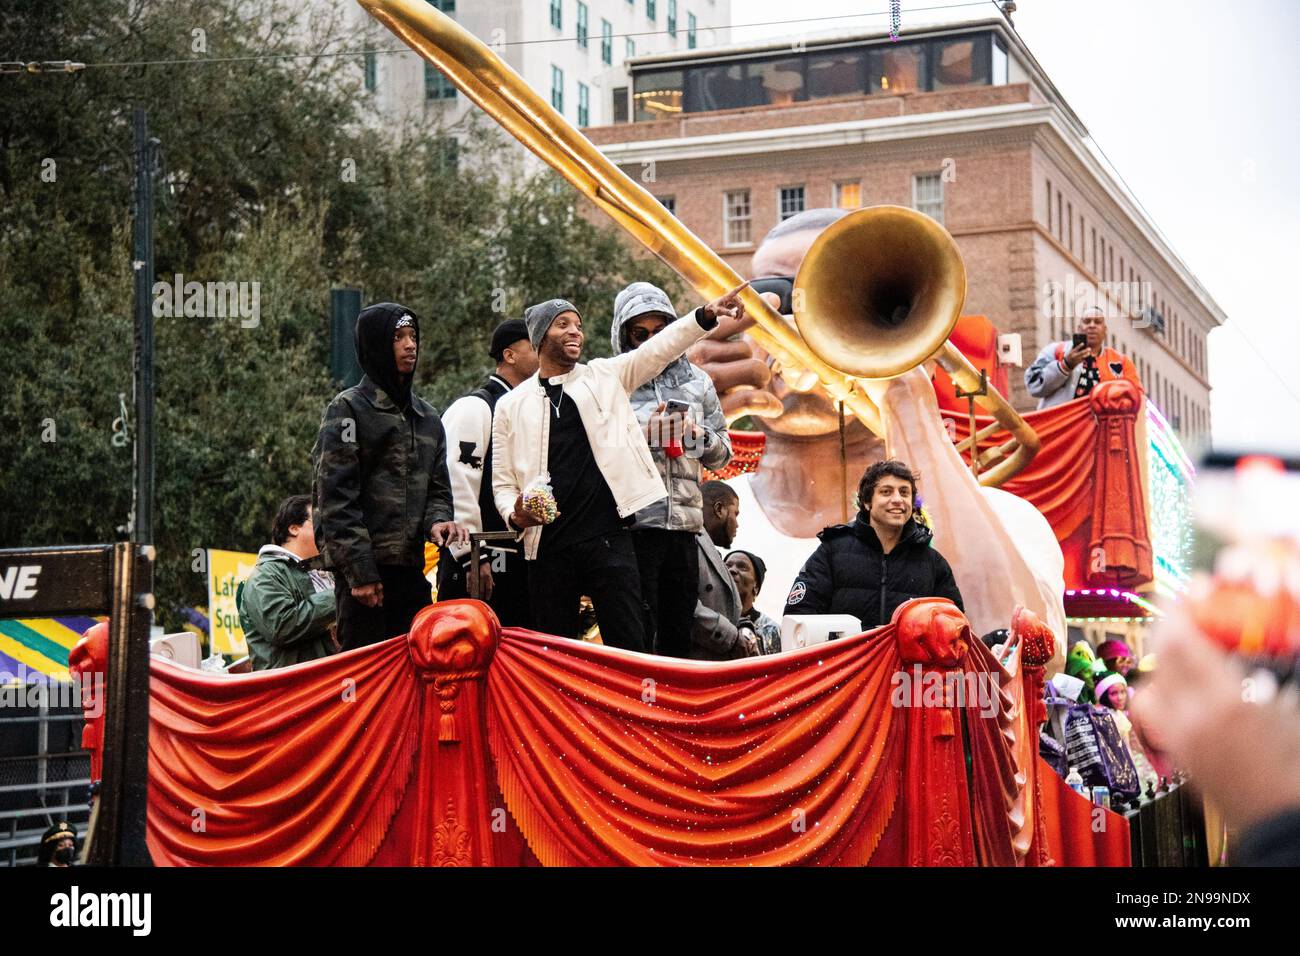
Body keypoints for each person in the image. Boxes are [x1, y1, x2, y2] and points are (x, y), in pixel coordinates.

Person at [687, 209, 1065, 660]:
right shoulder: (701, 511)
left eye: (841, 300)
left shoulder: (1008, 519)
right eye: (772, 298)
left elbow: (1013, 654)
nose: (797, 328)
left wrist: (908, 408)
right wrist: (670, 421)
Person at [492, 286, 749, 652]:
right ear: (538, 337)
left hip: (614, 537)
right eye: (562, 324)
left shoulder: (605, 377)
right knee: (558, 653)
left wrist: (707, 314)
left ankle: (640, 708)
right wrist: (516, 514)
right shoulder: (510, 405)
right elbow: (502, 483)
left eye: (578, 325)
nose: (574, 331)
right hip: (551, 544)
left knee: (632, 649)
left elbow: (661, 349)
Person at [313, 302, 470, 650]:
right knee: (366, 689)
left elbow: (438, 491)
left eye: (413, 336)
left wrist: (439, 521)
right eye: (398, 337)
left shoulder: (428, 417)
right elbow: (335, 500)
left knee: (418, 677)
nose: (410, 345)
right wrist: (360, 573)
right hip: (364, 581)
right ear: (376, 345)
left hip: (410, 573)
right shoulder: (349, 409)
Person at [613, 282, 733, 656]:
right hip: (634, 526)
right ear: (623, 334)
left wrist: (696, 435)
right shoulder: (612, 381)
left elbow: (723, 454)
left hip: (684, 529)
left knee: (678, 632)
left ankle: (672, 710)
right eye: (640, 333)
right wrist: (644, 436)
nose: (650, 340)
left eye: (659, 330)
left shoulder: (698, 382)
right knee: (635, 635)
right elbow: (594, 454)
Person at [437, 318, 539, 627]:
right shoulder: (474, 408)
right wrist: (472, 555)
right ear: (509, 355)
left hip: (521, 564)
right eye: (534, 346)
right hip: (479, 565)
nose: (542, 352)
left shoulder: (531, 410)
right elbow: (457, 483)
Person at [783, 459, 964, 629]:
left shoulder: (932, 562)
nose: (897, 499)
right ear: (867, 502)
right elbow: (799, 617)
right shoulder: (833, 551)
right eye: (886, 492)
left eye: (904, 492)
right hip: (849, 662)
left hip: (910, 664)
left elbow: (953, 626)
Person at [237, 495, 338, 670]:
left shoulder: (323, 572)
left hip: (326, 684)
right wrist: (338, 596)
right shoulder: (264, 575)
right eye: (319, 521)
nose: (325, 529)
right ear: (294, 528)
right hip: (292, 691)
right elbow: (282, 626)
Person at [1024, 305, 1141, 410]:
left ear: (1105, 331)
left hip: (1102, 431)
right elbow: (1033, 385)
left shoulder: (1120, 362)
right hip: (1061, 430)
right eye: (1087, 321)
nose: (1092, 325)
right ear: (1079, 328)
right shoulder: (1056, 351)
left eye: (1098, 322)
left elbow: (1137, 398)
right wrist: (1065, 365)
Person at [691, 481, 758, 659]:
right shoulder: (688, 544)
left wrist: (745, 629)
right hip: (694, 670)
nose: (737, 524)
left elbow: (730, 614)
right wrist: (732, 637)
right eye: (735, 514)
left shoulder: (713, 553)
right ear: (719, 509)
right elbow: (683, 605)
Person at [726, 549, 782, 655]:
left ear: (756, 585)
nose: (732, 570)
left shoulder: (771, 629)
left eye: (742, 567)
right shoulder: (708, 621)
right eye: (727, 566)